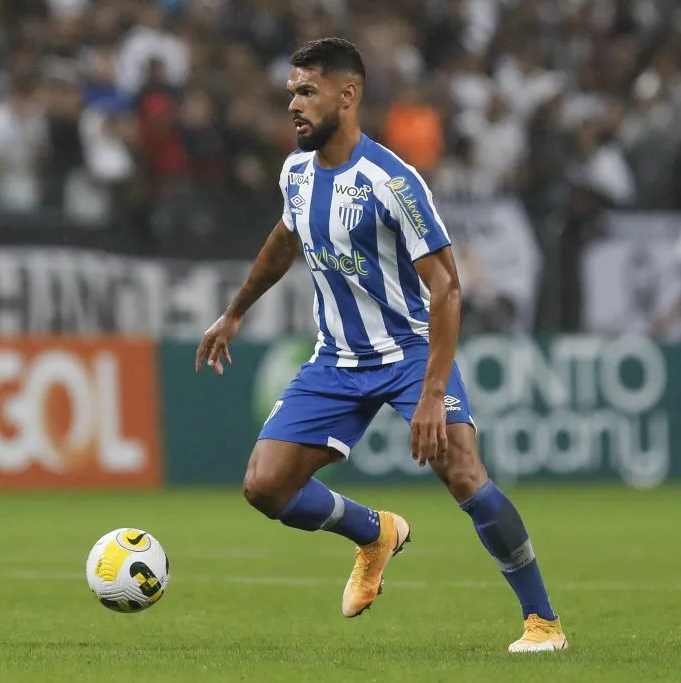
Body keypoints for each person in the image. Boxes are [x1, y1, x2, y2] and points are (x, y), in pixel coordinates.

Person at [195, 38, 567, 653]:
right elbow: (283, 242)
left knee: (465, 475)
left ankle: (543, 622)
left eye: (307, 91)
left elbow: (447, 288)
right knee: (265, 487)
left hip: (410, 352)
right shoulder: (296, 171)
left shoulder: (392, 180)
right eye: (291, 91)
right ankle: (376, 532)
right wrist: (234, 313)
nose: (293, 103)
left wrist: (432, 391)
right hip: (335, 359)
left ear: (348, 95)